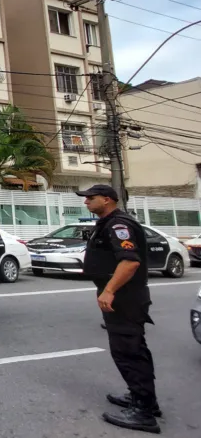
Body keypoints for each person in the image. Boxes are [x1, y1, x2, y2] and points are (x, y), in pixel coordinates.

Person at [76, 184, 161, 434]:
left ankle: (143, 413)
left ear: (108, 199)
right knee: (133, 348)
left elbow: (130, 261)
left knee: (128, 351)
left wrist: (110, 290)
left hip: (125, 297)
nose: (86, 202)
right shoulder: (109, 222)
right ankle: (144, 399)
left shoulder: (118, 224)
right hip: (123, 296)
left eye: (91, 198)